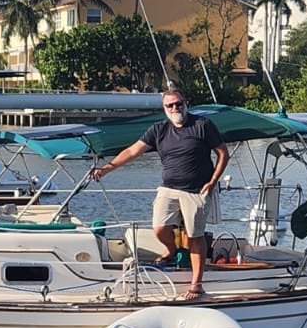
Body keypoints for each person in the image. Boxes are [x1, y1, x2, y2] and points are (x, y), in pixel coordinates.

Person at [90, 91, 228, 300]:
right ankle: (171, 250)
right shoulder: (159, 129)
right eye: (170, 105)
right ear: (164, 109)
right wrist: (106, 169)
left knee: (195, 236)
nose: (175, 108)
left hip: (197, 190)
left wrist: (213, 181)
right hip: (169, 188)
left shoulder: (202, 125)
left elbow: (223, 153)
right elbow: (132, 151)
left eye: (178, 104)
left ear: (186, 103)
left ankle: (196, 284)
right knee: (159, 227)